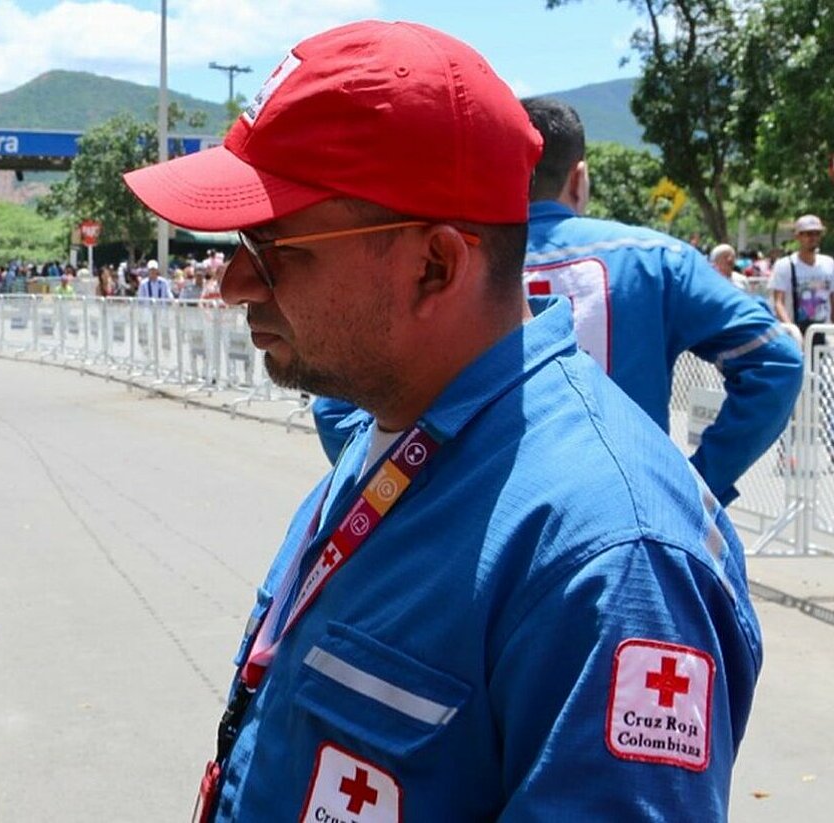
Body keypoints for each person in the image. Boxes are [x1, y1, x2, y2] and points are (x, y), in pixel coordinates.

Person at [123, 21, 760, 822]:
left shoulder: (610, 557)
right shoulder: (390, 433)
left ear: (436, 264)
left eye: (276, 243)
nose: (235, 283)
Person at [321, 97, 800, 504]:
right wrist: (695, 482)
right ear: (580, 177)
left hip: (471, 529)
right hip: (619, 521)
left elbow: (334, 404)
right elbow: (776, 362)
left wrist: (408, 490)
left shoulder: (439, 262)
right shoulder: (656, 259)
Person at [770, 214, 834, 340]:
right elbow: (778, 302)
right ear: (798, 236)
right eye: (809, 234)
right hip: (796, 333)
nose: (813, 237)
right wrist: (792, 332)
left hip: (823, 332)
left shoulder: (829, 263)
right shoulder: (785, 265)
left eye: (817, 233)